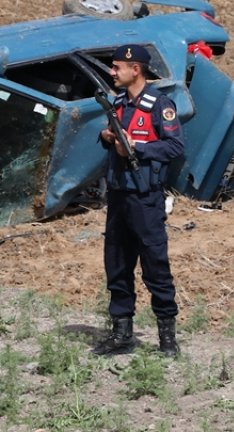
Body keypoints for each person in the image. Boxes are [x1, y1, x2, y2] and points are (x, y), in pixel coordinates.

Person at [92, 44, 185, 357]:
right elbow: (112, 134)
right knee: (116, 264)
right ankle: (121, 334)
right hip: (118, 195)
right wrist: (108, 137)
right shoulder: (118, 102)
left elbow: (174, 148)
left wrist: (139, 150)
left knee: (155, 266)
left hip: (145, 199)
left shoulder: (160, 105)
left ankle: (167, 340)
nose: (112, 72)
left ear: (136, 70)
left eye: (117, 67)